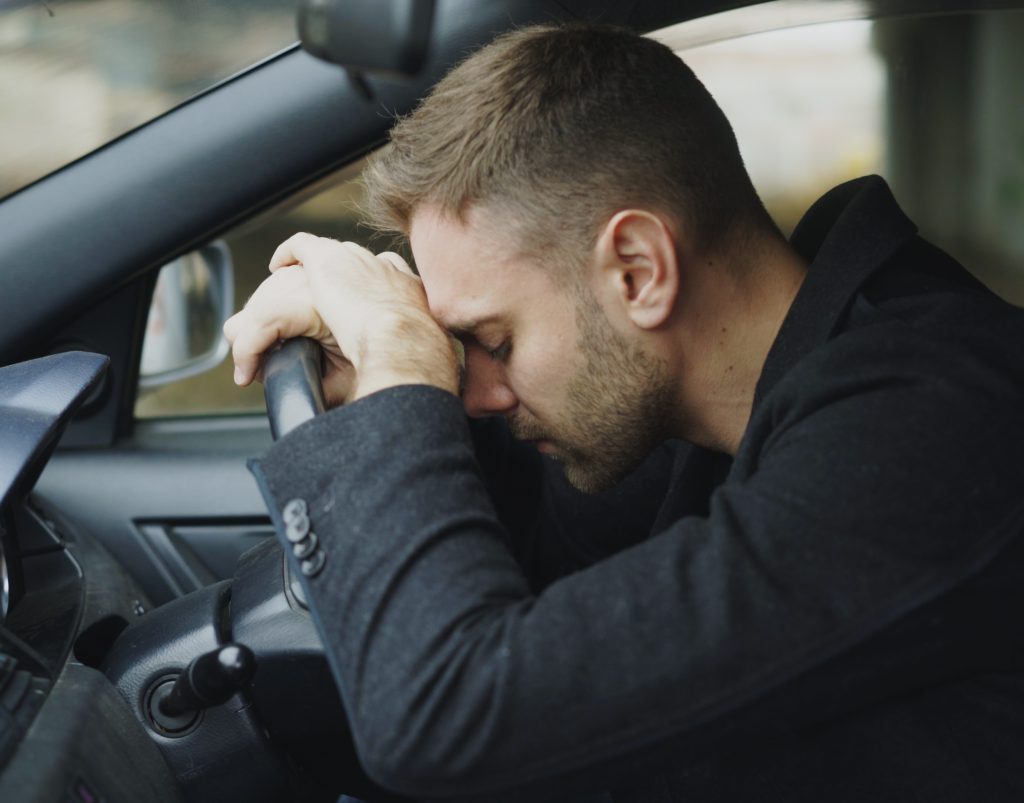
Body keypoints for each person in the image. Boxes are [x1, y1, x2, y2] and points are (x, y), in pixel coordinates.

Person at [223, 23, 1024, 803]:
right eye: (459, 346)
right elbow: (538, 557)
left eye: (490, 338)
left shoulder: (930, 424)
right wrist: (380, 368)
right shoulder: (705, 404)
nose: (479, 392)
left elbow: (447, 719)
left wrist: (402, 366)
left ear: (637, 272)